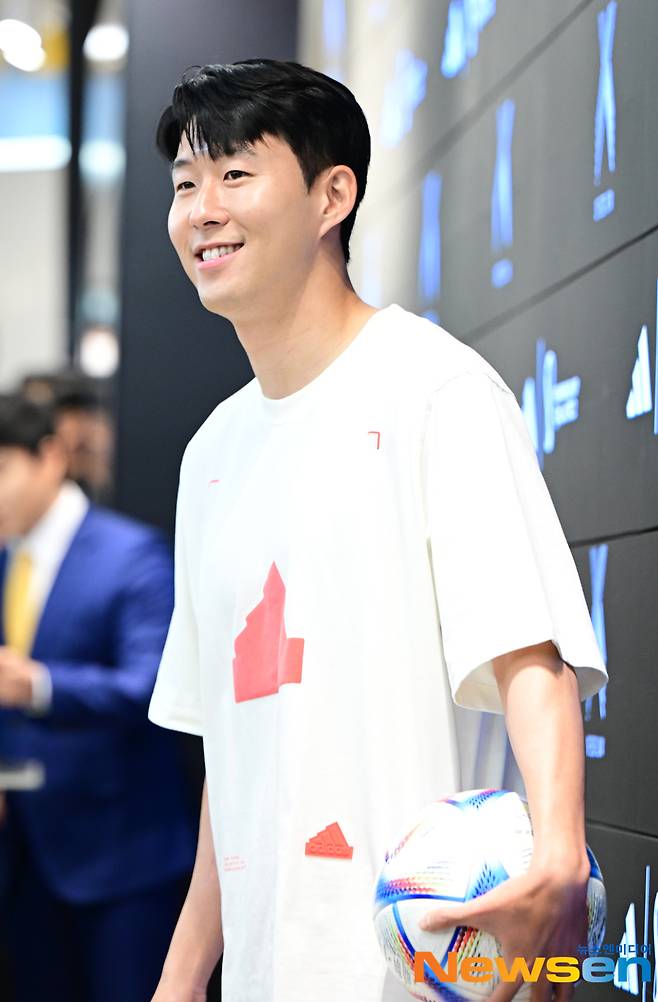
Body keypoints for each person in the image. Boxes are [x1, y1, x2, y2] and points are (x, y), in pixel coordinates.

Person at [147, 59, 608, 1002]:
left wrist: (561, 857)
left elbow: (530, 656)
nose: (202, 210)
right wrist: (184, 974)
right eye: (185, 184)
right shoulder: (212, 454)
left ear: (333, 196)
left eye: (235, 174)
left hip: (426, 968)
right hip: (267, 974)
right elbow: (238, 747)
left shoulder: (435, 390)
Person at [0, 394, 197, 1002]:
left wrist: (39, 685)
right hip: (24, 854)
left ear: (50, 457)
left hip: (122, 858)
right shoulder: (6, 557)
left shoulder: (131, 553)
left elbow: (153, 685)